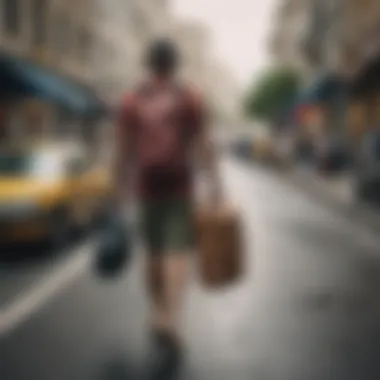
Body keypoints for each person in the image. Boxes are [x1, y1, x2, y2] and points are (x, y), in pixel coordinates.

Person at [116, 38, 222, 376]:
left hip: (146, 188)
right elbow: (203, 142)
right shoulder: (190, 97)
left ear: (149, 63)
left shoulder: (131, 100)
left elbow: (123, 149)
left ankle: (157, 310)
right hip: (179, 186)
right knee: (178, 254)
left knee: (153, 253)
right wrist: (215, 182)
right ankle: (170, 320)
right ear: (175, 64)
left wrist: (118, 189)